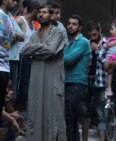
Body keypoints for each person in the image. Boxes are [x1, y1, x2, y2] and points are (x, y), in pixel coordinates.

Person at [21, 4, 67, 141]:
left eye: (45, 12)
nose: (41, 14)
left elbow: (51, 51)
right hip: (36, 82)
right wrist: (42, 47)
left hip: (52, 81)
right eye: (39, 12)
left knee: (53, 116)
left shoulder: (58, 32)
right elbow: (24, 51)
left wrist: (34, 50)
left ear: (51, 16)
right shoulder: (34, 34)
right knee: (35, 113)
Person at [64, 15, 91, 141]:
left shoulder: (83, 42)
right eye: (69, 23)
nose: (70, 26)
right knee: (71, 119)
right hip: (67, 83)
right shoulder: (68, 42)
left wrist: (54, 54)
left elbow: (68, 60)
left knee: (68, 117)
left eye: (74, 24)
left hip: (76, 84)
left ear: (80, 27)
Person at [82, 20, 107, 141]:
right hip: (87, 81)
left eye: (95, 34)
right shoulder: (87, 43)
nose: (92, 37)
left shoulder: (107, 44)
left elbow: (108, 63)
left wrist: (97, 50)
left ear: (99, 31)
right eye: (90, 35)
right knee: (85, 111)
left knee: (100, 113)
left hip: (101, 82)